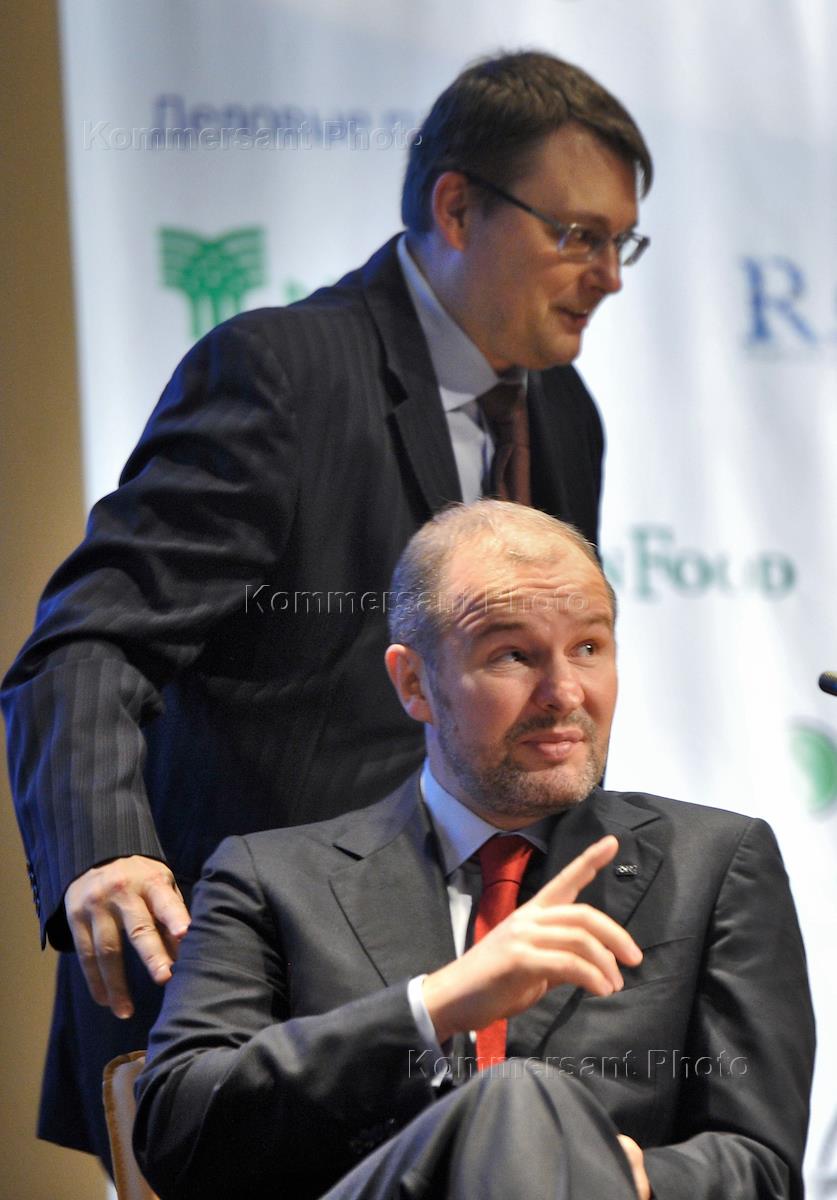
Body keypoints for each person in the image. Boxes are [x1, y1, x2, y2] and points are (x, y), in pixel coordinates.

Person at [2, 51, 653, 1166]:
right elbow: (88, 640)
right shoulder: (283, 374)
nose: (608, 277)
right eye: (576, 235)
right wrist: (102, 856)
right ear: (458, 207)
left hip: (459, 994)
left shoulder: (565, 415)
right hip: (255, 996)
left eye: (621, 243)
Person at [134, 500, 815, 1200]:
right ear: (413, 683)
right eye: (512, 655)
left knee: (523, 1102)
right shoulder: (271, 877)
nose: (564, 693)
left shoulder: (715, 864)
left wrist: (612, 1172)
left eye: (588, 647)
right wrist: (432, 1007)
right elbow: (178, 1128)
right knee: (513, 1096)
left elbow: (761, 1165)